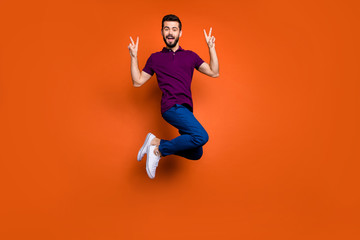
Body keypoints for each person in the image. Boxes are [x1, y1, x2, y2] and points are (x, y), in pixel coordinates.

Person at [128, 14, 219, 179]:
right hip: (171, 106)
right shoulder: (155, 58)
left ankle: (156, 143)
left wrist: (211, 47)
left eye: (174, 29)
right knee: (201, 136)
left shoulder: (190, 56)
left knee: (196, 153)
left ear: (180, 33)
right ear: (162, 32)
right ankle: (159, 150)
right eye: (167, 29)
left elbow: (214, 72)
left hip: (185, 110)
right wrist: (134, 57)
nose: (170, 32)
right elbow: (137, 82)